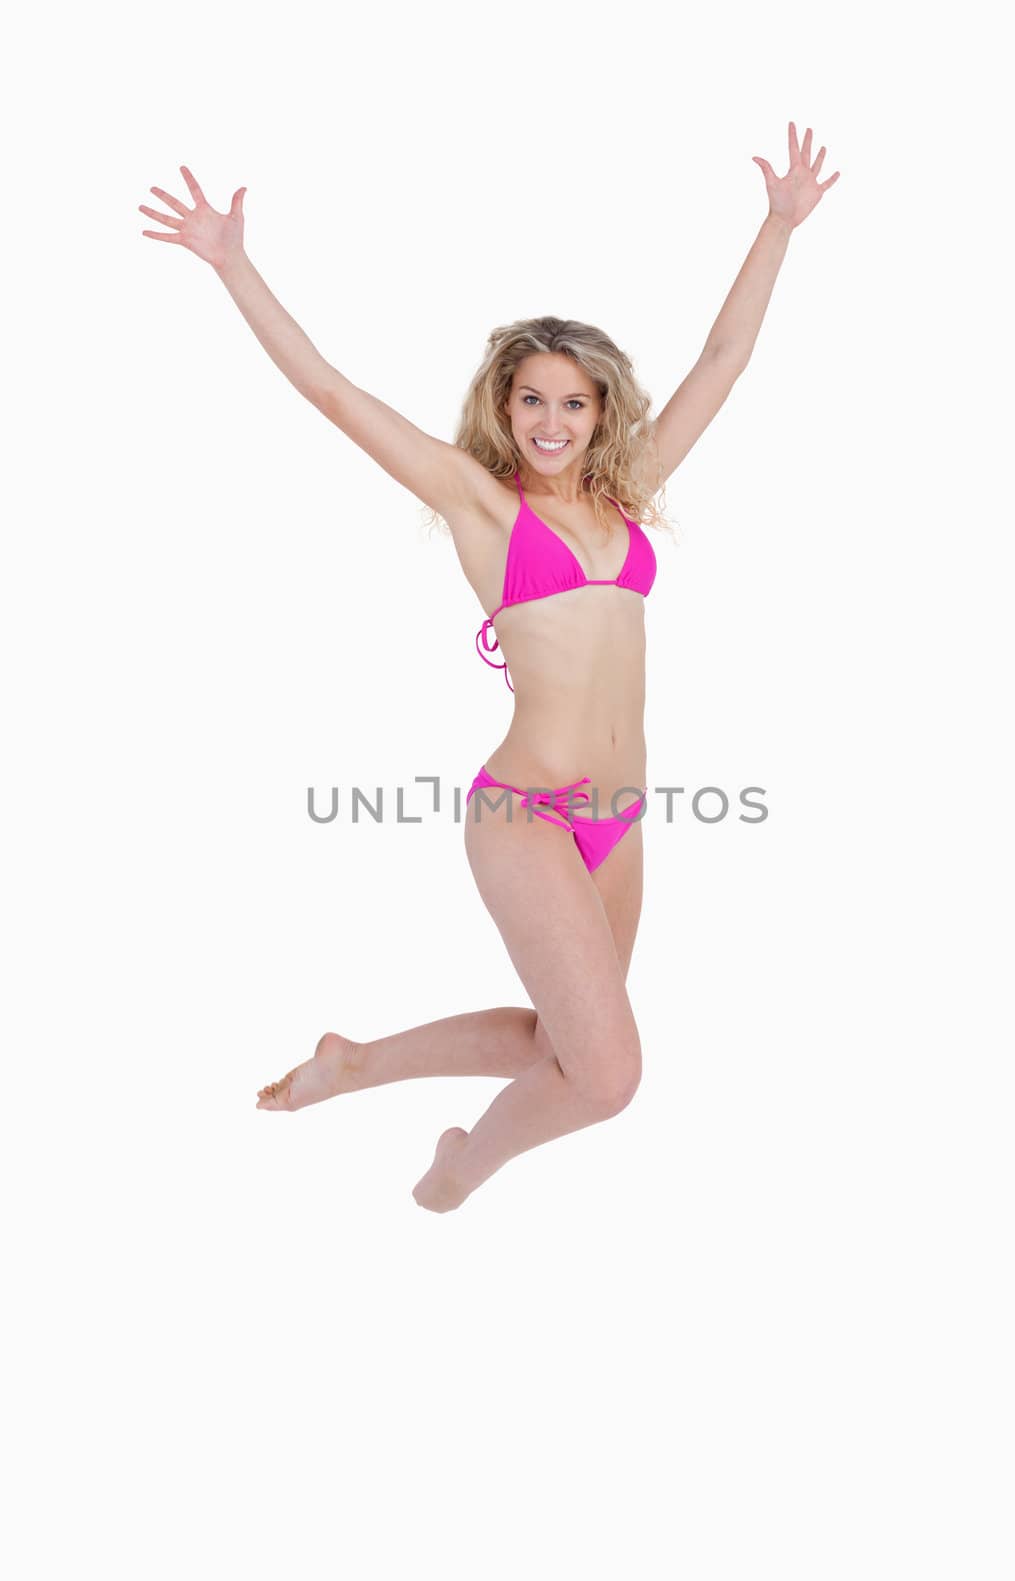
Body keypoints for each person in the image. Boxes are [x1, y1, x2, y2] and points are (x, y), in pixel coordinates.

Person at [140, 123, 839, 1212]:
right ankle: (460, 1161)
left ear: (599, 410)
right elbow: (332, 393)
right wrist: (234, 264)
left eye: (572, 401)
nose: (550, 420)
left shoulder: (626, 496)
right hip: (527, 809)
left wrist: (777, 225)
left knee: (559, 1038)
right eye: (530, 400)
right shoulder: (483, 505)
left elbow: (721, 362)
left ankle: (356, 1062)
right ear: (501, 408)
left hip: (619, 810)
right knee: (606, 1077)